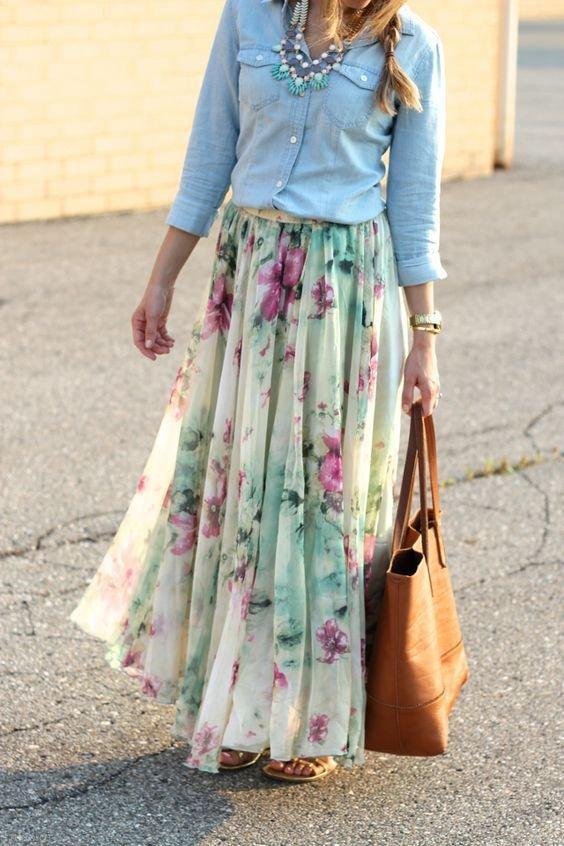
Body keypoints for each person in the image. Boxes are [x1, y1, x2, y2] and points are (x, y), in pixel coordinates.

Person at [69, 0, 446, 783]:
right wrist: (161, 280)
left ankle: (309, 718)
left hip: (342, 300)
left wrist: (426, 339)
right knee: (243, 495)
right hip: (249, 282)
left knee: (317, 505)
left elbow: (414, 208)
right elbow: (210, 156)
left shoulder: (412, 44)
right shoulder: (248, 16)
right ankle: (240, 704)